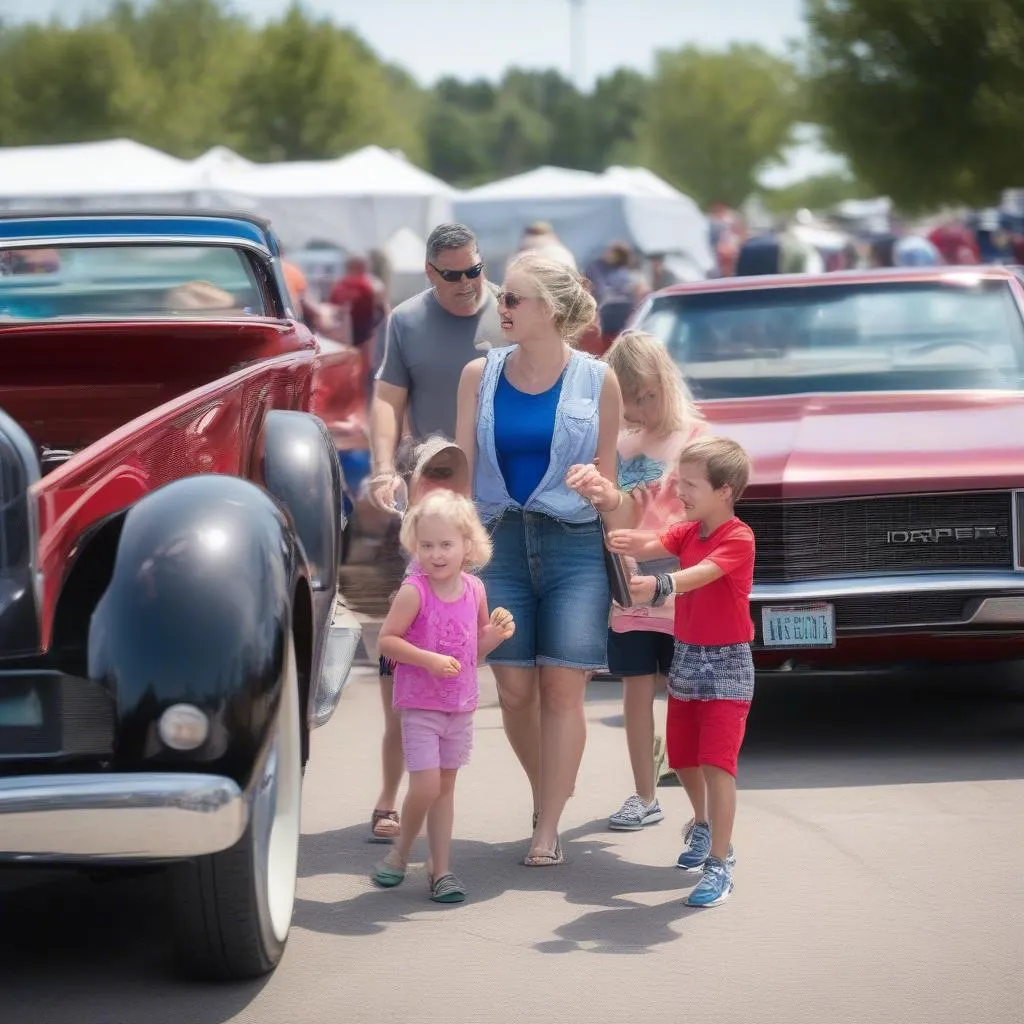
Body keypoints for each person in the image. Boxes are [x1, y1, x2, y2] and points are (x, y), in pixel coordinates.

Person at [455, 250, 623, 867]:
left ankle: (547, 825)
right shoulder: (480, 376)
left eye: (511, 299)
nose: (499, 306)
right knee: (516, 690)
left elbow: (614, 488)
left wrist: (603, 493)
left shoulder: (598, 379)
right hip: (498, 541)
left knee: (561, 691)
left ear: (548, 311)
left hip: (574, 545)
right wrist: (450, 546)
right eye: (502, 297)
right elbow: (465, 471)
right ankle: (547, 789)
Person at [569, 436, 755, 907]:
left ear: (725, 491)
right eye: (679, 482)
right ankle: (703, 825)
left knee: (718, 764)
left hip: (728, 661)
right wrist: (622, 534)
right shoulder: (686, 530)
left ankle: (720, 862)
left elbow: (702, 573)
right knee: (684, 760)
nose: (681, 492)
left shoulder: (738, 537)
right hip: (688, 655)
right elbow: (653, 542)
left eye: (691, 485)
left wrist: (660, 585)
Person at [365, 223, 502, 843]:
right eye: (455, 274)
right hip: (433, 502)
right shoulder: (407, 321)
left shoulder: (510, 309)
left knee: (492, 654)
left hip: (498, 500)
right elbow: (388, 401)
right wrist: (380, 468)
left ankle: (466, 805)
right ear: (429, 273)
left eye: (476, 270)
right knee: (408, 663)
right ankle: (391, 796)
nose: (469, 283)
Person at [372, 490, 515, 903]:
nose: (435, 554)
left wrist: (499, 633)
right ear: (415, 547)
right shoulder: (414, 592)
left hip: (460, 705)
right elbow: (386, 641)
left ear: (468, 546)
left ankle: (441, 869)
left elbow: (476, 647)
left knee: (445, 788)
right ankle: (400, 855)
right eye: (427, 545)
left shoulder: (474, 589)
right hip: (420, 704)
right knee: (425, 787)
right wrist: (429, 660)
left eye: (445, 544)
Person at [598, 330, 706, 831]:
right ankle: (644, 795)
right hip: (630, 595)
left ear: (666, 381)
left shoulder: (697, 438)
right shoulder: (616, 444)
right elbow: (611, 523)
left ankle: (704, 812)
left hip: (682, 593)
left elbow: (714, 521)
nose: (642, 406)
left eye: (649, 394)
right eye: (631, 397)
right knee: (635, 693)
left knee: (688, 701)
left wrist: (659, 529)